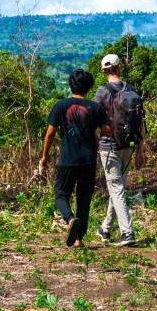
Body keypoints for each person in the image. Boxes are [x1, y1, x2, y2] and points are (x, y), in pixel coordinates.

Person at [40, 69, 111, 248]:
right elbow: (107, 131)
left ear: (71, 84)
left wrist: (45, 156)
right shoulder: (95, 107)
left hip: (67, 159)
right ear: (89, 87)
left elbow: (50, 134)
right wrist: (105, 117)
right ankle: (78, 238)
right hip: (88, 160)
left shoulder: (60, 105)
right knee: (84, 199)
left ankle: (70, 219)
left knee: (61, 194)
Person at [94, 53, 145, 246]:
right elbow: (140, 122)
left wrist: (95, 142)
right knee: (118, 189)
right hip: (129, 145)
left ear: (103, 71)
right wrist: (140, 150)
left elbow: (94, 119)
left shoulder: (102, 92)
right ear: (119, 68)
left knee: (116, 190)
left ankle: (127, 232)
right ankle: (105, 229)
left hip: (110, 146)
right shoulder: (132, 90)